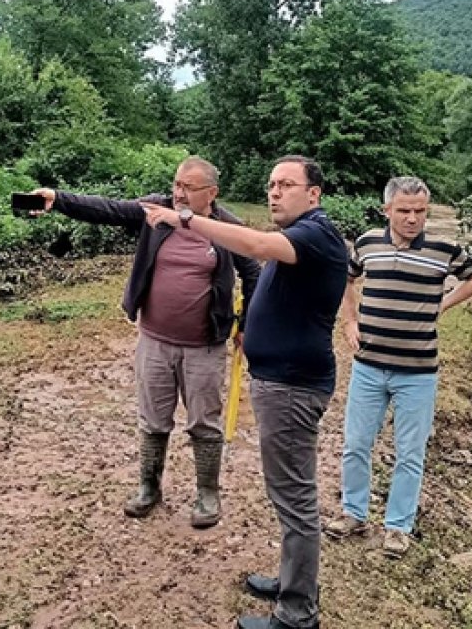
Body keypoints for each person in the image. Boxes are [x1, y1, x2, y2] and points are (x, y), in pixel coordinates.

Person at [142, 155, 346, 629]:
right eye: (271, 184)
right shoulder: (305, 235)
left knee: (294, 499)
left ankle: (297, 615)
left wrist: (185, 218)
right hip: (283, 381)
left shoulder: (315, 233)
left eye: (287, 185)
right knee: (289, 496)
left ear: (313, 194)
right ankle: (293, 581)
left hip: (292, 387)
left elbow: (254, 244)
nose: (275, 192)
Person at [28, 156, 260, 528]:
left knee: (205, 420)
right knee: (153, 418)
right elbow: (108, 209)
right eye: (176, 184)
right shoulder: (156, 211)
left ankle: (207, 493)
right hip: (155, 341)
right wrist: (58, 198)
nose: (179, 193)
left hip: (204, 345)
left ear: (211, 193)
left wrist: (247, 323)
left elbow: (254, 274)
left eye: (189, 187)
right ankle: (148, 488)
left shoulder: (226, 227)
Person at [326, 176, 472, 558]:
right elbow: (345, 279)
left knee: (409, 453)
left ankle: (398, 527)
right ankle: (354, 513)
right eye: (404, 211)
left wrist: (444, 304)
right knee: (355, 444)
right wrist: (349, 321)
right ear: (387, 210)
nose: (412, 219)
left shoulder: (444, 249)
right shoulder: (367, 243)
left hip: (418, 371)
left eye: (420, 211)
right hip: (368, 366)